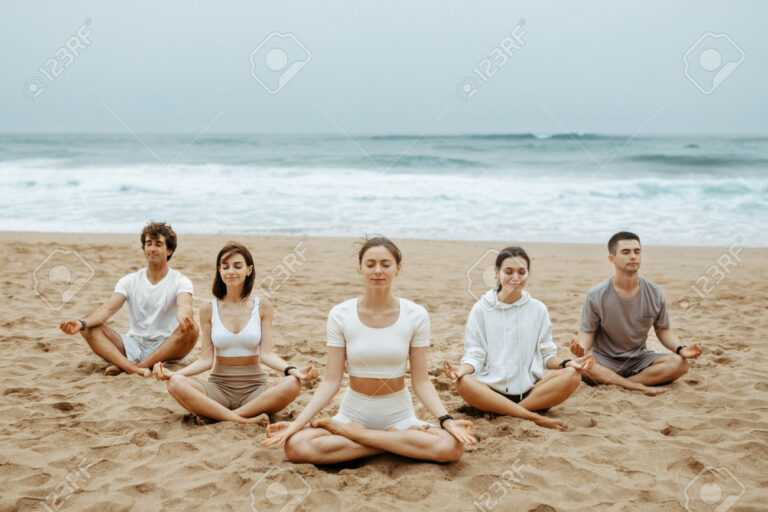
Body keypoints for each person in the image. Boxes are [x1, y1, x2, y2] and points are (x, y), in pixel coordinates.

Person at [261, 237, 477, 463]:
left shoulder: (416, 314)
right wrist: (298, 423)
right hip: (353, 413)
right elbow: (330, 381)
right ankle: (392, 444)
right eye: (370, 264)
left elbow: (421, 382)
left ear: (398, 268)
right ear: (360, 267)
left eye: (386, 264)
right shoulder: (341, 314)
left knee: (452, 448)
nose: (378, 270)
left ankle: (358, 436)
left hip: (399, 415)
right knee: (296, 447)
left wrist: (446, 420)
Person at [152, 242, 317, 424]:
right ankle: (244, 419)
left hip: (255, 391)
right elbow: (205, 360)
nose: (231, 271)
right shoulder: (208, 309)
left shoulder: (262, 307)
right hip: (219, 389)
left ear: (249, 270)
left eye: (238, 266)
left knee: (293, 383)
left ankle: (221, 416)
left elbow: (267, 355)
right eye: (225, 267)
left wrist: (293, 370)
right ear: (219, 271)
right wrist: (173, 374)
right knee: (175, 383)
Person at [444, 246, 594, 431]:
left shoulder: (538, 309)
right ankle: (532, 416)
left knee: (572, 375)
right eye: (509, 271)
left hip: (530, 392)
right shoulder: (481, 309)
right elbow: (476, 353)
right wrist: (461, 370)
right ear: (496, 273)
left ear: (528, 274)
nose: (515, 277)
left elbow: (547, 356)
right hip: (490, 391)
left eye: (521, 272)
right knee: (463, 382)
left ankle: (509, 411)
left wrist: (568, 363)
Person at [570, 231, 703, 395]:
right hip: (604, 360)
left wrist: (681, 349)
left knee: (680, 364)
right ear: (612, 258)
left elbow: (663, 330)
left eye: (637, 252)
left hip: (639, 359)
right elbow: (586, 334)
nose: (633, 256)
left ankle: (621, 383)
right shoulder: (596, 295)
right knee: (582, 366)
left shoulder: (654, 291)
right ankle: (635, 385)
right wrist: (580, 349)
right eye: (626, 252)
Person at [60, 222, 198, 377]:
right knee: (88, 326)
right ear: (144, 248)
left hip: (167, 347)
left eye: (158, 244)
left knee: (193, 331)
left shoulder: (180, 281)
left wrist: (184, 319)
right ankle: (133, 369)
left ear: (169, 250)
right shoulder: (130, 280)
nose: (152, 248)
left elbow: (184, 304)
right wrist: (81, 323)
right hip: (134, 344)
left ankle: (134, 366)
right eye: (148, 244)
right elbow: (108, 309)